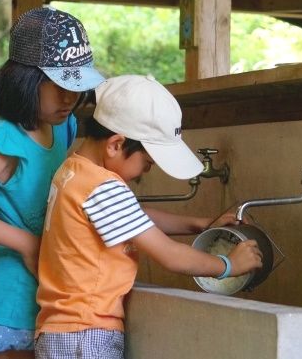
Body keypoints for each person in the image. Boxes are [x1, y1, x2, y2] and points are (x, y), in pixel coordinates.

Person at [35, 75, 263, 359]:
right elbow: (169, 255)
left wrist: (201, 224)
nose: (146, 172)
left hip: (63, 330)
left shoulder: (74, 171)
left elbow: (138, 218)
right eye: (147, 163)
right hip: (86, 334)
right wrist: (228, 265)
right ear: (116, 144)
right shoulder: (104, 186)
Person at [0, 6, 105, 359]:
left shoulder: (63, 127)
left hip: (51, 294)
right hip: (9, 302)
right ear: (24, 80)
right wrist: (27, 243)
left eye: (75, 85)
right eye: (58, 84)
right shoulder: (5, 140)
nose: (69, 97)